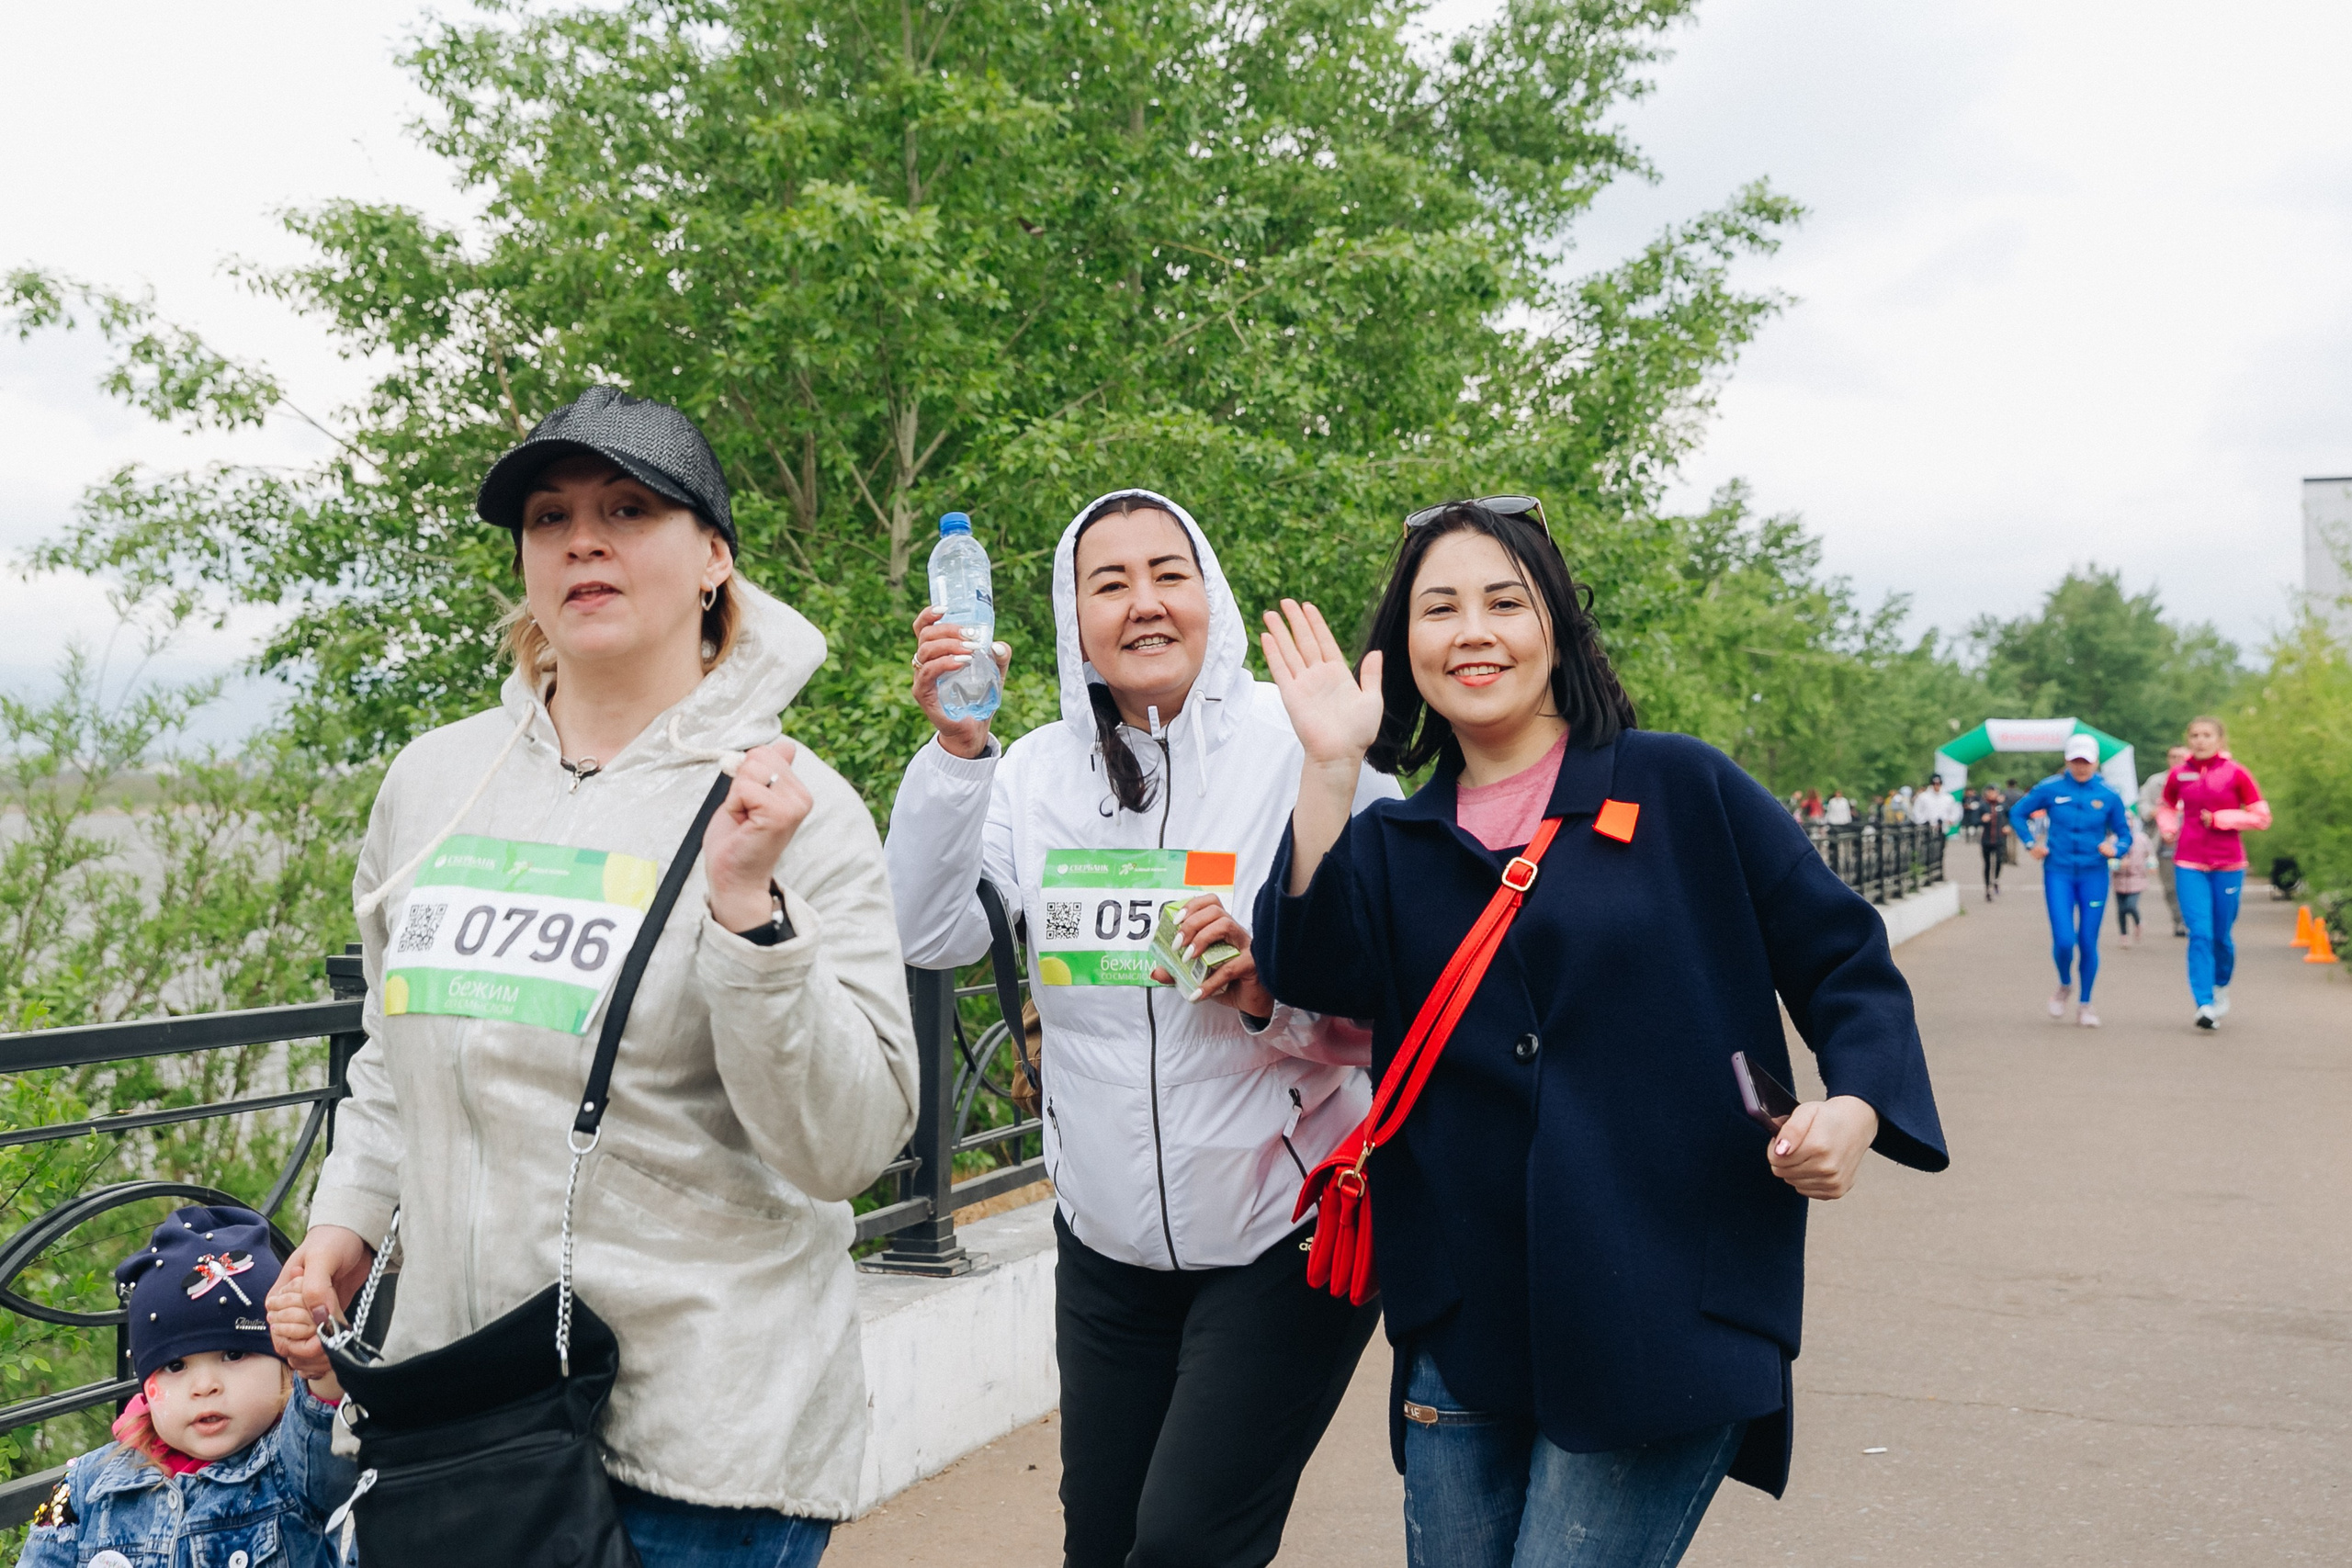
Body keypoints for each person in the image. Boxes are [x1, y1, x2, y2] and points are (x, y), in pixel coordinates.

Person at [269, 388, 919, 1566]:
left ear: (714, 557)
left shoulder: (792, 805)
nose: (583, 539)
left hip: (702, 1458)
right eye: (549, 515)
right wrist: (349, 1222)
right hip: (466, 1428)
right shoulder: (435, 782)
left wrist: (752, 921)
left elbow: (849, 1145)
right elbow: (393, 1053)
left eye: (630, 508)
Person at [1250, 500, 1948, 1568]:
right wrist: (1330, 768)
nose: (1471, 631)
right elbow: (1308, 968)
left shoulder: (1678, 786)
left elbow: (1843, 958)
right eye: (1438, 608)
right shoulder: (1395, 842)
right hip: (1462, 1322)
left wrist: (1854, 1104)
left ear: (1557, 628)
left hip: (1665, 1304)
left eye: (1503, 602)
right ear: (1402, 648)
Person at [885, 489, 1397, 1568]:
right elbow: (929, 934)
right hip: (1106, 1240)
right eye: (1107, 582)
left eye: (1168, 574)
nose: (1144, 604)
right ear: (1071, 620)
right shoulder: (1029, 772)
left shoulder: (1305, 746)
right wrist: (956, 752)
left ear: (1209, 589)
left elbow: (1399, 1009)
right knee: (1101, 1544)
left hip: (1284, 1227)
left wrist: (1271, 994)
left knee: (1182, 1546)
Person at [17, 1207, 352, 1568]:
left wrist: (320, 1362)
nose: (205, 1386)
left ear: (284, 1365)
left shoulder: (292, 1468)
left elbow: (325, 1431)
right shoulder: (85, 1487)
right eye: (175, 1365)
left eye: (234, 1354)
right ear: (146, 1388)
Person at [2007, 734, 2132, 1029]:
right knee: (2065, 940)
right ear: (2067, 760)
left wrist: (2116, 848)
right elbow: (2016, 813)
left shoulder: (2109, 794)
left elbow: (2124, 833)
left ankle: (2086, 1003)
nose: (2081, 766)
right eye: (2076, 760)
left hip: (2093, 873)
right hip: (2059, 872)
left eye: (2086, 761)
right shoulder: (2050, 788)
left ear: (2096, 762)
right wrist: (2029, 843)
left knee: (2088, 941)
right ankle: (2065, 984)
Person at [2162, 716, 2272, 1030]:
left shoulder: (2236, 773)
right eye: (2194, 735)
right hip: (2189, 861)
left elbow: (2261, 817)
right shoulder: (2179, 773)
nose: (2199, 740)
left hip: (2228, 863)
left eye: (2206, 735)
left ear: (2219, 740)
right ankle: (2203, 1002)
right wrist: (2168, 826)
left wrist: (2224, 818)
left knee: (2221, 936)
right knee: (2200, 933)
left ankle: (2220, 985)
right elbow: (2166, 805)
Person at [2140, 744, 2192, 937]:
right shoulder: (2156, 782)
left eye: (2181, 756)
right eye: (2173, 756)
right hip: (2166, 843)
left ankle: (2193, 920)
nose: (2177, 760)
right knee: (2171, 886)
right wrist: (2152, 812)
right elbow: (2142, 804)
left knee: (2191, 885)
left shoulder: (2197, 778)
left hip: (2193, 843)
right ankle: (2179, 920)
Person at [2111, 818, 2153, 945]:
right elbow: (2109, 859)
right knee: (2121, 910)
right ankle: (2124, 935)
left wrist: (2151, 866)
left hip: (2137, 878)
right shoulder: (2113, 839)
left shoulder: (2142, 839)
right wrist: (2118, 865)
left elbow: (2150, 854)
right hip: (2119, 880)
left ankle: (2138, 922)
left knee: (2130, 905)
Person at [1976, 787, 2009, 899]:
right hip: (1986, 839)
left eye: (1994, 793)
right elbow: (1974, 820)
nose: (1992, 795)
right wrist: (1982, 820)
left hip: (1999, 839)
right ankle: (1987, 887)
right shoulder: (1982, 806)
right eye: (1990, 793)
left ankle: (1995, 879)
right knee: (1987, 864)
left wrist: (2007, 826)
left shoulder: (2002, 806)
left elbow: (2009, 816)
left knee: (1999, 861)